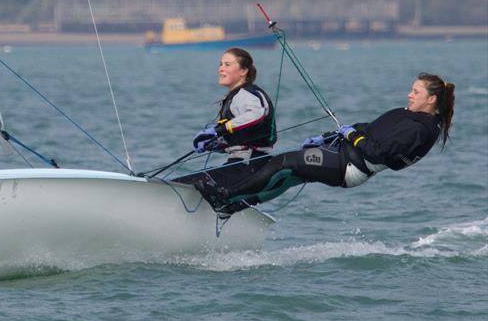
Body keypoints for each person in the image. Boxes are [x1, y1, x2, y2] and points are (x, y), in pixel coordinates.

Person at [189, 72, 455, 214]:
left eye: (416, 92)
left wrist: (352, 136)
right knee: (291, 174)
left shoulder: (420, 130)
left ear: (431, 100)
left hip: (351, 167)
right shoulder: (408, 115)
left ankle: (224, 197)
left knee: (284, 162)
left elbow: (380, 152)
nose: (409, 94)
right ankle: (235, 206)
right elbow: (369, 130)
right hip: (341, 154)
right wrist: (329, 136)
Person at [173, 47, 277, 188]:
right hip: (243, 163)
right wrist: (215, 144)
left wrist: (219, 130)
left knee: (182, 184)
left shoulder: (246, 94)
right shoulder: (236, 95)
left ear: (243, 71)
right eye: (220, 64)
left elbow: (256, 114)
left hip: (248, 164)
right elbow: (241, 136)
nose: (221, 69)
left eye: (227, 65)